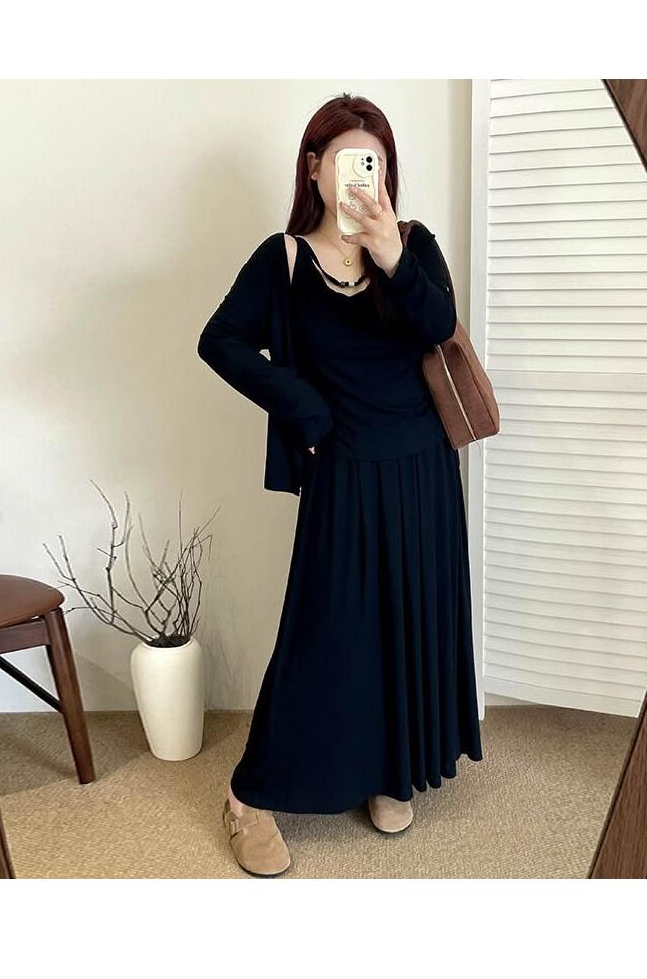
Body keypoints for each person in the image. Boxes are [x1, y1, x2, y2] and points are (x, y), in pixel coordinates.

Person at [198, 93, 483, 877]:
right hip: (344, 469)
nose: (365, 173)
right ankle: (249, 797)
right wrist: (306, 407)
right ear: (315, 168)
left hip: (424, 470)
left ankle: (391, 772)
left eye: (377, 161)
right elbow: (219, 341)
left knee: (409, 621)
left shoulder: (414, 245)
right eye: (351, 159)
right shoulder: (284, 259)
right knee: (323, 635)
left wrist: (391, 254)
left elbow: (437, 327)